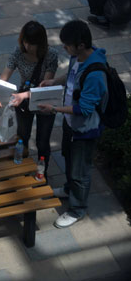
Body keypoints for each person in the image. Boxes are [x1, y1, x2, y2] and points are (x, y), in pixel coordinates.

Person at [38, 20, 108, 228]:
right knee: (68, 157)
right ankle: (69, 189)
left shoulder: (95, 74)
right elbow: (70, 76)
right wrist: (54, 81)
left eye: (67, 45)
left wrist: (55, 110)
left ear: (80, 45)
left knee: (80, 171)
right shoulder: (76, 58)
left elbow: (85, 109)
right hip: (71, 123)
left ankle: (77, 209)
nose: (64, 48)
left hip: (84, 129)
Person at [1, 21, 59, 176]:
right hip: (24, 101)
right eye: (25, 42)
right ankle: (22, 168)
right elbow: (4, 78)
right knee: (22, 136)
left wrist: (23, 95)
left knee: (42, 140)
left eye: (32, 43)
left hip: (44, 101)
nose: (28, 46)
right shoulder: (17, 52)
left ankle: (42, 170)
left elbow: (44, 89)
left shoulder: (51, 55)